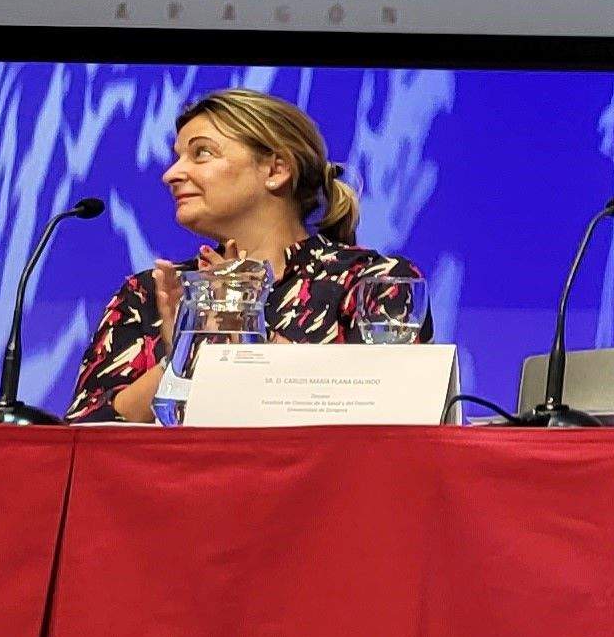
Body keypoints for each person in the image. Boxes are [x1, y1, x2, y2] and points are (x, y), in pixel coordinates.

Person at [68, 87, 424, 423]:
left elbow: (393, 413)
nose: (171, 174)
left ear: (276, 170)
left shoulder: (372, 282)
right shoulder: (151, 292)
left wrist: (242, 331)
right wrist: (187, 350)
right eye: (178, 157)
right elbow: (86, 428)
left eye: (201, 153)